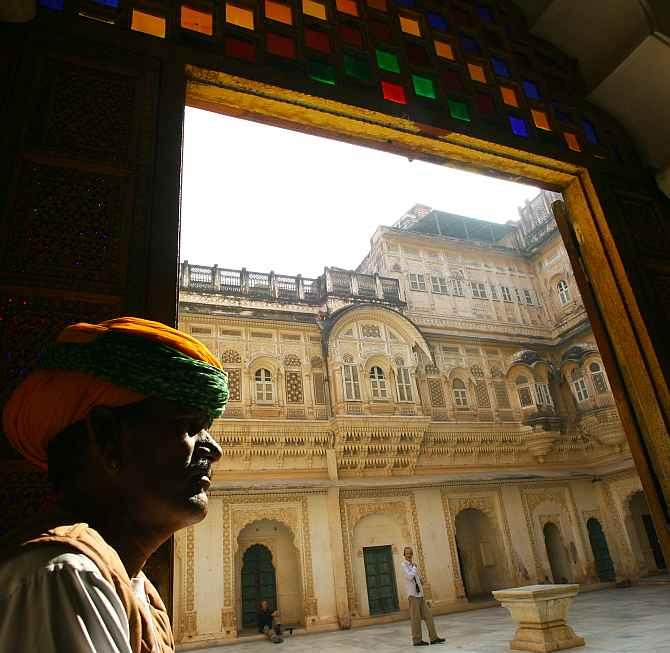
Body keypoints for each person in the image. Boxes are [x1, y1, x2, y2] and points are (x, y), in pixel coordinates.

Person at [0, 317, 229, 653]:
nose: (214, 450)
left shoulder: (133, 586)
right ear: (108, 439)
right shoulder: (64, 576)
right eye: (190, 426)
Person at [401, 546, 445, 646]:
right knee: (415, 618)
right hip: (412, 595)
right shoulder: (404, 565)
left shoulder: (413, 565)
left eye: (410, 553)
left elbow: (416, 578)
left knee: (428, 616)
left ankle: (434, 638)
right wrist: (414, 568)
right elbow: (409, 576)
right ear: (404, 555)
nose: (409, 555)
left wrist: (420, 580)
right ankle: (417, 640)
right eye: (407, 553)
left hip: (419, 595)